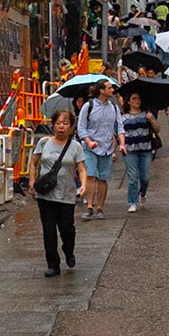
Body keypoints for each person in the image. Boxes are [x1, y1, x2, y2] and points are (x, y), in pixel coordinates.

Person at [26, 109, 88, 277]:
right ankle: (53, 264)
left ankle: (69, 251)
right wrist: (32, 182)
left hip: (66, 194)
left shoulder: (75, 147)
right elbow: (33, 163)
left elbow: (81, 169)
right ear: (53, 125)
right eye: (58, 123)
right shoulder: (44, 143)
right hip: (45, 195)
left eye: (65, 123)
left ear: (71, 127)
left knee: (67, 229)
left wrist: (83, 185)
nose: (61, 127)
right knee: (49, 231)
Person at [75, 80, 122, 219]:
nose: (112, 90)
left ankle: (100, 208)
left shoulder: (113, 107)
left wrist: (122, 142)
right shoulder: (88, 106)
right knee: (91, 175)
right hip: (90, 147)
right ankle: (89, 206)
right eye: (109, 88)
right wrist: (89, 142)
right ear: (101, 90)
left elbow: (119, 126)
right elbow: (81, 127)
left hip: (106, 147)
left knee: (103, 178)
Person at [118, 89, 160, 212]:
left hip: (145, 149)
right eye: (134, 99)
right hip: (130, 150)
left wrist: (151, 119)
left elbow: (157, 130)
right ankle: (132, 202)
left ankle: (142, 193)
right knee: (132, 177)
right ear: (129, 102)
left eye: (139, 99)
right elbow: (119, 133)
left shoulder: (146, 114)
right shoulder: (123, 117)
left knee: (145, 177)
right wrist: (118, 146)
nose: (137, 101)